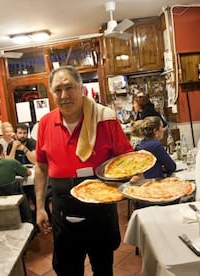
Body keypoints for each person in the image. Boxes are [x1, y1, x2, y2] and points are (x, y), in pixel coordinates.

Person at [35, 66, 133, 275]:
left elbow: (128, 159)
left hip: (100, 210)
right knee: (66, 270)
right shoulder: (45, 123)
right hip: (63, 210)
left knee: (103, 269)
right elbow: (41, 167)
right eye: (57, 90)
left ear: (81, 89)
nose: (64, 95)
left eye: (69, 87)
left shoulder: (104, 119)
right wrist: (40, 206)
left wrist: (133, 177)